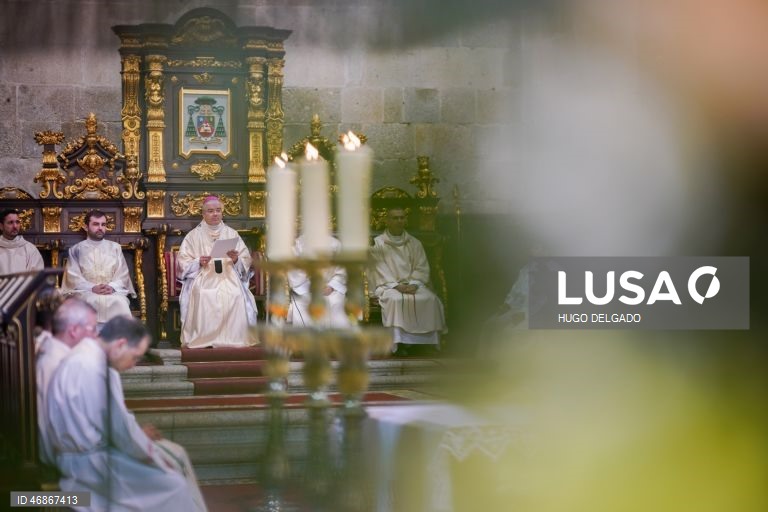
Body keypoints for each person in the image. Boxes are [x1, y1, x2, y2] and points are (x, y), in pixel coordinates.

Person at [47, 315, 207, 511]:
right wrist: (149, 450)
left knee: (171, 461)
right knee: (174, 485)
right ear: (120, 345)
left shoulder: (83, 355)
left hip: (74, 456)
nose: (133, 365)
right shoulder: (101, 370)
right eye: (135, 357)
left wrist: (137, 435)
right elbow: (121, 432)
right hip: (89, 466)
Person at [177, 195, 258, 347]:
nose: (215, 214)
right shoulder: (193, 236)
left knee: (235, 294)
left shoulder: (232, 234)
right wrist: (197, 262)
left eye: (218, 210)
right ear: (203, 214)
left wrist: (236, 259)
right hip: (203, 275)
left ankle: (235, 339)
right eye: (210, 211)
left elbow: (246, 259)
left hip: (229, 275)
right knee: (205, 294)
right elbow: (183, 262)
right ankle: (206, 338)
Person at [370, 207, 446, 355]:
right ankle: (399, 343)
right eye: (395, 218)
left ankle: (427, 343)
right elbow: (379, 268)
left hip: (412, 285)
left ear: (406, 220)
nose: (399, 221)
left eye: (401, 218)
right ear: (387, 221)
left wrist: (414, 283)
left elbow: (421, 266)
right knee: (395, 301)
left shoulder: (414, 243)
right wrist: (396, 285)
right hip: (389, 286)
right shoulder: (378, 244)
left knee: (430, 299)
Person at [36, 297, 97, 466]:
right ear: (74, 331)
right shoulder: (57, 362)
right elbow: (53, 426)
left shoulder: (60, 354)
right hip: (67, 460)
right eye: (92, 329)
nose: (96, 335)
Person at [60, 210, 136, 326]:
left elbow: (123, 274)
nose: (100, 228)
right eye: (96, 224)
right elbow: (73, 277)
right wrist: (92, 288)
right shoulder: (76, 250)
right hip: (86, 293)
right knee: (87, 302)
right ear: (86, 227)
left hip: (112, 294)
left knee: (120, 303)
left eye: (103, 224)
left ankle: (119, 343)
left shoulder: (115, 248)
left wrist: (111, 287)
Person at [287, 235, 350, 328]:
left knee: (336, 303)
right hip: (305, 290)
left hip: (331, 291)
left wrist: (332, 286)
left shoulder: (335, 244)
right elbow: (294, 272)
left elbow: (342, 271)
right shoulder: (298, 244)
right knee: (303, 303)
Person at [0, 208, 44, 275]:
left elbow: (37, 276)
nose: (15, 226)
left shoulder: (31, 249)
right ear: (1, 226)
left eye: (17, 222)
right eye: (10, 222)